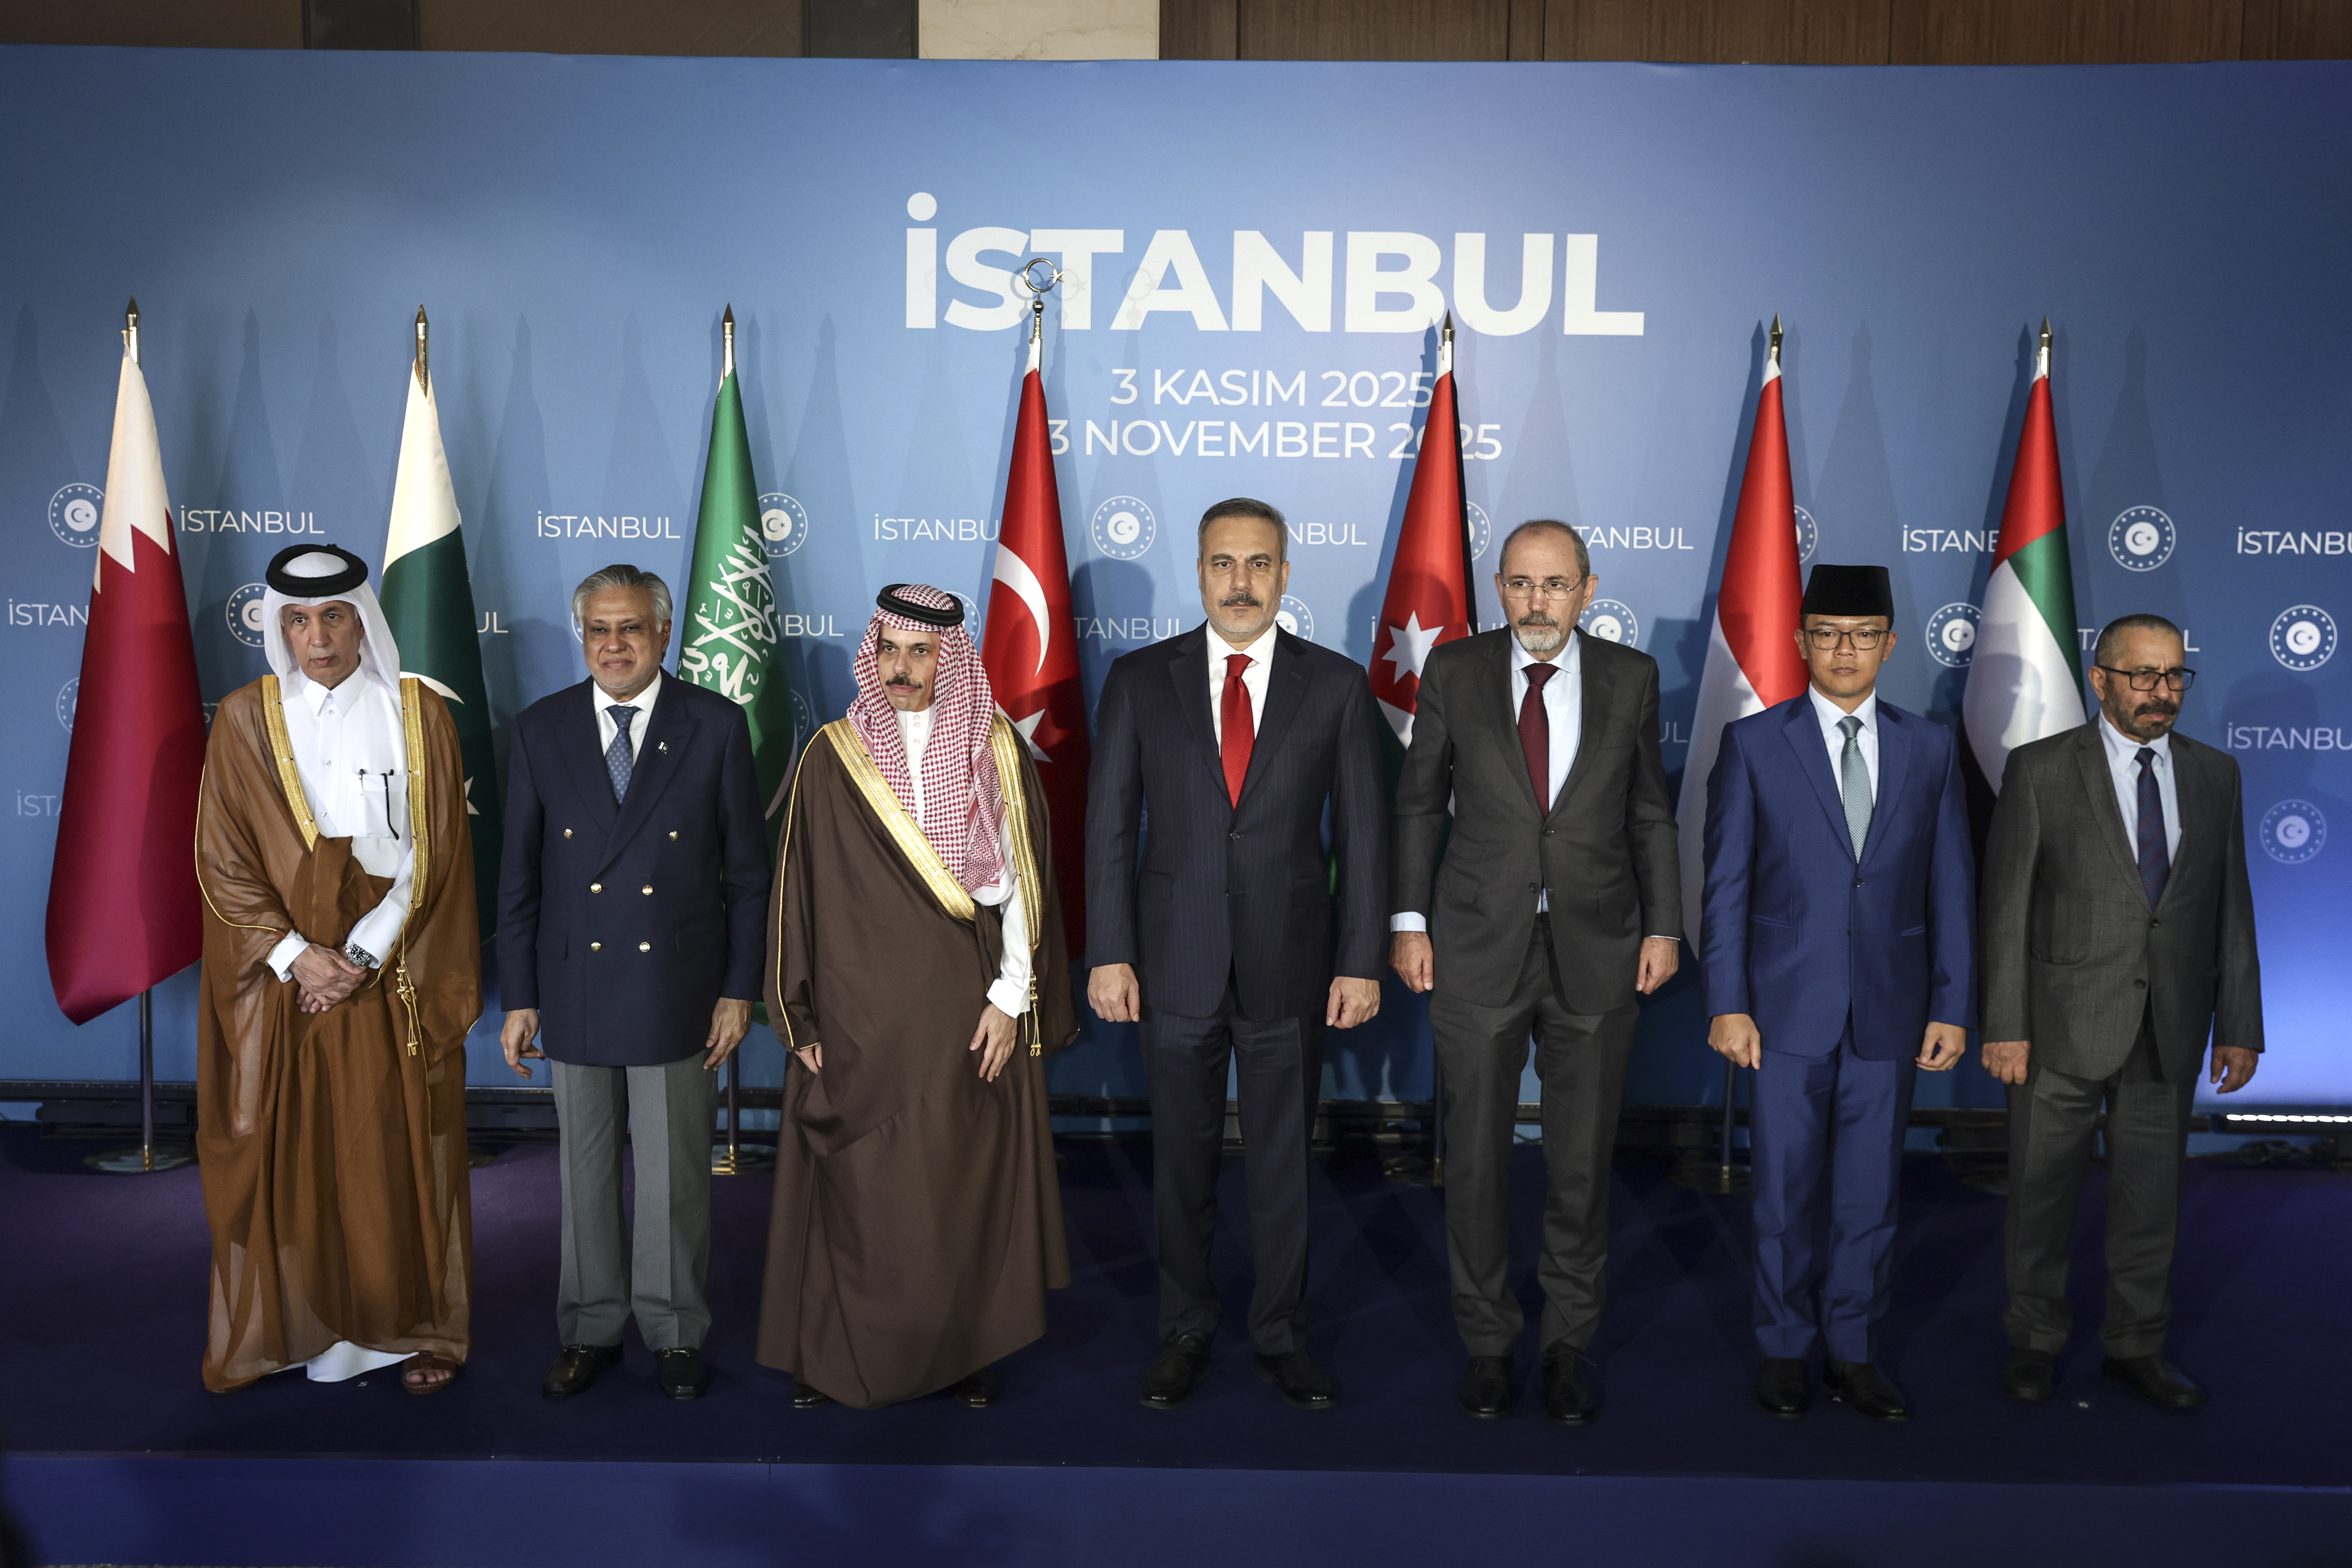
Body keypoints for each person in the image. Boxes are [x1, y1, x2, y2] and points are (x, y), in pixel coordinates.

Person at [1087, 497, 1386, 1412]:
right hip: (1171, 964)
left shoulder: (1335, 685)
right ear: (1199, 572)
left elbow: (1365, 836)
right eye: (1224, 563)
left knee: (1283, 1164)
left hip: (1289, 966)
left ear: (1286, 574)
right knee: (1180, 1163)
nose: (1241, 582)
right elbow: (1108, 830)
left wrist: (1361, 958)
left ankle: (1282, 1334)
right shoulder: (1141, 680)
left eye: (1259, 564)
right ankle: (1185, 1330)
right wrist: (1109, 952)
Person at [755, 584, 1077, 1410]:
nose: (902, 668)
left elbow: (1025, 888)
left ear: (950, 659)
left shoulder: (995, 746)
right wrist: (798, 1013)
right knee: (855, 1184)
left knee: (949, 1187)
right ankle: (830, 1354)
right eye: (890, 650)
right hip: (852, 1016)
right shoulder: (833, 755)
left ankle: (958, 1348)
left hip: (960, 1011)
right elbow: (796, 893)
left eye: (921, 653)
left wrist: (1010, 1000)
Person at [1391, 518, 1681, 1425]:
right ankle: (1487, 1342)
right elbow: (1417, 805)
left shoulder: (1632, 676)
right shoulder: (1455, 670)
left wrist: (1665, 926)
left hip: (1600, 945)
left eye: (1555, 585)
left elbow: (1649, 813)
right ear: (1500, 589)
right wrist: (1408, 921)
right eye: (1520, 584)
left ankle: (1567, 1344)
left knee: (1581, 1164)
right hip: (1475, 944)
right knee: (1475, 1160)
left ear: (1588, 590)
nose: (1537, 603)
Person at [192, 543, 479, 1394]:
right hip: (284, 982)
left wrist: (358, 953)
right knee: (291, 1154)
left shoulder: (419, 712)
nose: (317, 638)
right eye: (298, 621)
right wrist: (296, 956)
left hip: (390, 973)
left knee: (390, 1149)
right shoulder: (245, 718)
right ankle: (297, 1325)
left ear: (363, 622)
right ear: (280, 629)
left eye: (334, 617)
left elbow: (438, 851)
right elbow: (223, 858)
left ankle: (401, 1325)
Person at [1700, 563, 1974, 1423]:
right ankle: (1784, 1347)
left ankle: (1854, 1350)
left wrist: (1952, 1003)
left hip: (1891, 1011)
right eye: (1826, 634)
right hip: (1783, 1011)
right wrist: (1726, 1001)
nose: (1844, 650)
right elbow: (1726, 886)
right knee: (1782, 1196)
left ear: (1890, 646)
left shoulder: (1930, 747)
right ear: (1801, 642)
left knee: (1870, 1196)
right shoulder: (1755, 743)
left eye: (1861, 636)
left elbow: (1952, 886)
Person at [497, 564, 768, 1403]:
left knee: (675, 1175)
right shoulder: (540, 729)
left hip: (678, 986)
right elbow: (518, 877)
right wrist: (519, 996)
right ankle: (589, 1328)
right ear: (582, 637)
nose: (614, 646)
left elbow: (748, 878)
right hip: (573, 983)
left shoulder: (715, 725)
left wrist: (740, 990)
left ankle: (676, 1330)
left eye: (631, 629)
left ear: (663, 633)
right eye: (599, 630)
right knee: (584, 1177)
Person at [1980, 612, 2261, 1411]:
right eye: (2142, 675)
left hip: (2170, 1027)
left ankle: (2136, 1346)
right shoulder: (2040, 769)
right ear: (2101, 679)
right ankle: (2035, 1341)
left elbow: (2231, 908)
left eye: (2173, 676)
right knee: (2041, 1196)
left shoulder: (2216, 774)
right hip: (2058, 1027)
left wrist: (2240, 1025)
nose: (2160, 692)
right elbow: (2005, 908)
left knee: (2151, 1201)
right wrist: (2005, 1024)